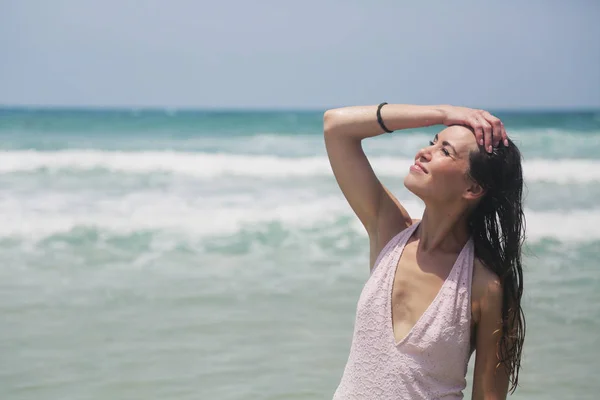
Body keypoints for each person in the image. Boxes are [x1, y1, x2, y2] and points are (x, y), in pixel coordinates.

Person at [324, 103, 525, 399]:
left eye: (445, 151)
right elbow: (336, 127)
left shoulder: (485, 285)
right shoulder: (390, 232)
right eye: (433, 141)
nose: (424, 152)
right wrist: (444, 113)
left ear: (473, 188)